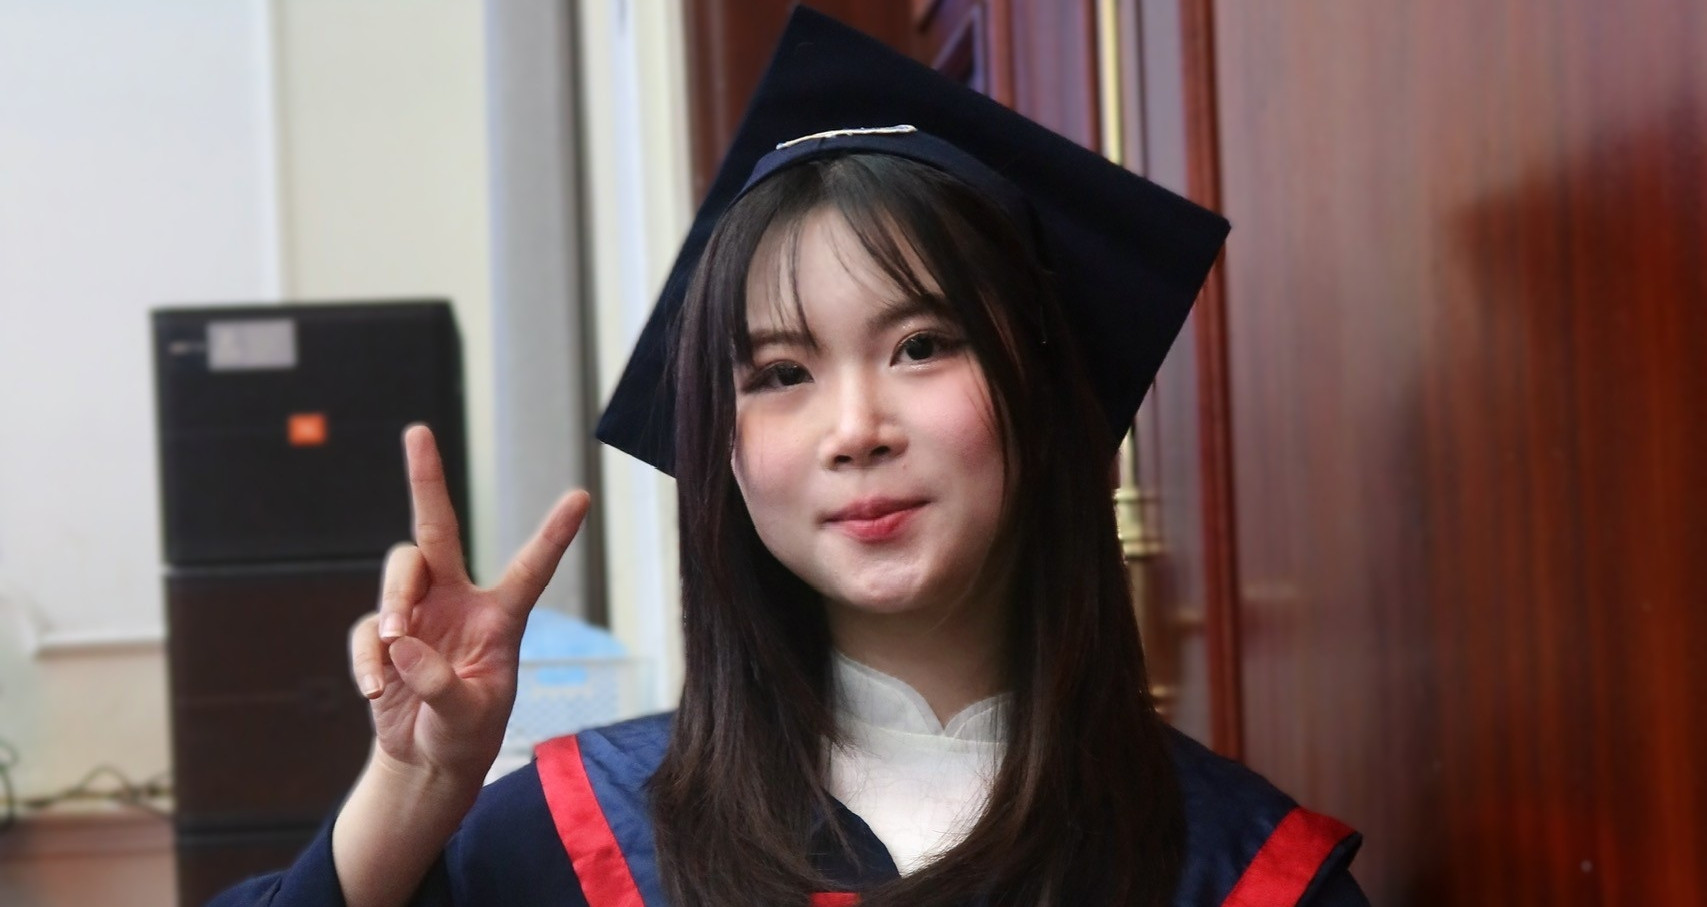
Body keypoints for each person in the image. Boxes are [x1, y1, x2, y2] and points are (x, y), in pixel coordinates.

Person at [212, 9, 1368, 907]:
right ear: (723, 451)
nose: (854, 427)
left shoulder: (1234, 868)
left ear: (1040, 395)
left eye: (922, 345)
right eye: (778, 372)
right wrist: (420, 779)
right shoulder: (571, 844)